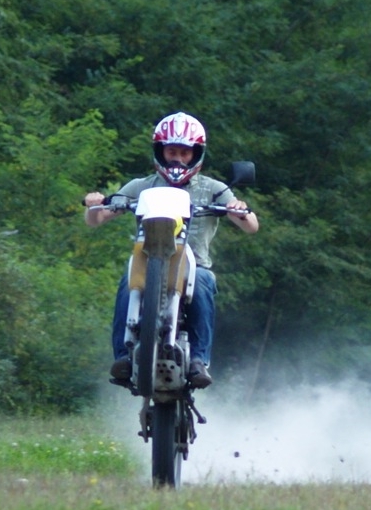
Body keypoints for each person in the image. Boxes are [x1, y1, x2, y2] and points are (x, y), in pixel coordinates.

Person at [83, 112, 259, 388]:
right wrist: (95, 204)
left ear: (196, 154)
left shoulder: (214, 188)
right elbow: (97, 218)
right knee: (126, 282)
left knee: (203, 281)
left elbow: (252, 226)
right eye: (172, 150)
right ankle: (123, 358)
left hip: (195, 265)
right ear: (160, 151)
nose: (178, 158)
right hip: (148, 261)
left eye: (185, 152)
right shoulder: (142, 185)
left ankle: (200, 361)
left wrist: (240, 210)